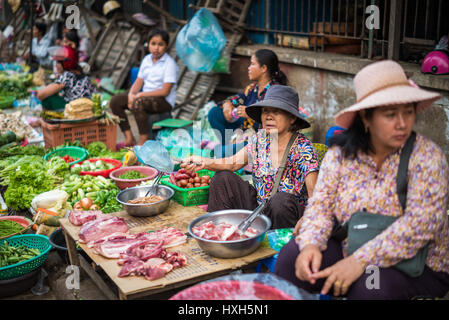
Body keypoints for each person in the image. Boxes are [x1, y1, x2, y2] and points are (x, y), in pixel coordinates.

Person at [274, 60, 449, 300]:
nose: (402, 123)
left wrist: (360, 261)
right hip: (352, 243)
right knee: (290, 259)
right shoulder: (341, 154)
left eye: (408, 112)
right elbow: (321, 205)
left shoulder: (427, 157)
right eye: (390, 115)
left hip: (417, 261)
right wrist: (311, 245)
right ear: (366, 118)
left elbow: (421, 224)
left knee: (371, 285)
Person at [183, 85, 319, 229]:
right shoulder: (260, 139)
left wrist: (306, 220)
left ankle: (278, 246)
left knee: (280, 200)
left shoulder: (304, 149)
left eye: (276, 112)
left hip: (285, 216)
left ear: (291, 118)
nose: (268, 116)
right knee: (222, 178)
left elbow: (315, 197)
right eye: (265, 111)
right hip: (258, 210)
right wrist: (202, 161)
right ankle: (219, 233)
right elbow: (233, 164)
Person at [207, 49, 287, 157]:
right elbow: (241, 98)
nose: (248, 68)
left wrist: (251, 114)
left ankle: (229, 152)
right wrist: (227, 103)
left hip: (263, 140)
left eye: (252, 64)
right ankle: (228, 148)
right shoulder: (252, 89)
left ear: (263, 68)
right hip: (246, 132)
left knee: (220, 153)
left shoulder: (275, 92)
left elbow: (273, 124)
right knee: (215, 113)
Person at [110, 28, 178, 148]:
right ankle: (129, 137)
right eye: (153, 44)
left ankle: (143, 140)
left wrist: (140, 95)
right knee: (115, 101)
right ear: (148, 45)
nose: (156, 48)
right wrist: (131, 94)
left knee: (138, 102)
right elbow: (139, 81)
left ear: (166, 46)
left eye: (160, 44)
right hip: (147, 98)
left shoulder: (169, 63)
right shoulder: (147, 60)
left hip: (163, 101)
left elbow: (165, 91)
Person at [36, 44, 96, 111]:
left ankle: (50, 120)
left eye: (58, 62)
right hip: (88, 109)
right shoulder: (82, 74)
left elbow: (40, 95)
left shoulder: (67, 75)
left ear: (66, 63)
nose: (56, 66)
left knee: (47, 99)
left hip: (76, 111)